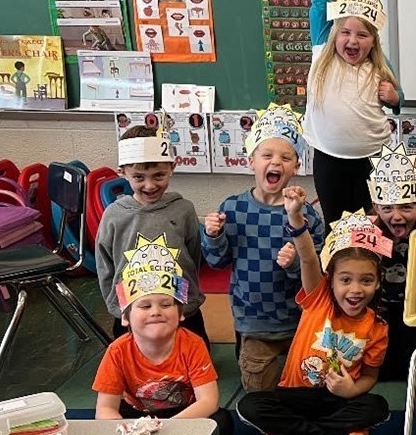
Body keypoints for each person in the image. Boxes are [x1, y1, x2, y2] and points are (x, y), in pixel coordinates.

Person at [237, 198, 391, 435]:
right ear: (330, 280)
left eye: (367, 280)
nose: (356, 289)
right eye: (346, 279)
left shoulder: (377, 327)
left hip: (337, 400)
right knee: (250, 404)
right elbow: (308, 257)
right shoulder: (319, 300)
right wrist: (295, 216)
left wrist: (350, 391)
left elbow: (370, 376)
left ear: (378, 282)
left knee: (377, 405)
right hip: (295, 395)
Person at [202, 104, 325, 393]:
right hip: (253, 322)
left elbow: (317, 274)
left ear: (296, 166)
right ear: (252, 162)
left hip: (300, 321)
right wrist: (213, 235)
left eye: (286, 157)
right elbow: (217, 262)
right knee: (258, 394)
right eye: (267, 155)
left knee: (306, 390)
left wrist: (297, 261)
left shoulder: (304, 212)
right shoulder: (233, 208)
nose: (276, 162)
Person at [92, 235, 233, 434]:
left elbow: (209, 401)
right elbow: (105, 408)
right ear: (125, 317)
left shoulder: (192, 344)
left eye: (166, 305)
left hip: (186, 412)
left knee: (221, 420)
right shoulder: (118, 350)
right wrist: (128, 429)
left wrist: (165, 429)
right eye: (145, 305)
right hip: (138, 413)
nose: (156, 311)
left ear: (180, 314)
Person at [304, 0, 403, 226]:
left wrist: (394, 98)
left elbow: (398, 98)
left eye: (362, 35)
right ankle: (337, 268)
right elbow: (319, 5)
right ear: (335, 34)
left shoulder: (379, 65)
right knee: (334, 223)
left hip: (372, 160)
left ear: (373, 41)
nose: (352, 41)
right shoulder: (322, 49)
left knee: (372, 225)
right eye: (345, 33)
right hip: (328, 159)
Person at [97, 126, 208, 345]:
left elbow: (193, 256)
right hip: (131, 310)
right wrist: (117, 306)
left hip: (183, 308)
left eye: (158, 175)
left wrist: (189, 298)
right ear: (122, 172)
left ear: (171, 169)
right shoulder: (114, 215)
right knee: (134, 368)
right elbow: (105, 264)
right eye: (139, 177)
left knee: (194, 361)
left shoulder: (183, 209)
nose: (149, 185)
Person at [367, 142, 416, 381]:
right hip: (381, 308)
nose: (396, 216)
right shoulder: (368, 233)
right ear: (376, 207)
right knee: (382, 368)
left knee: (412, 367)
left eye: (406, 207)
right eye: (387, 208)